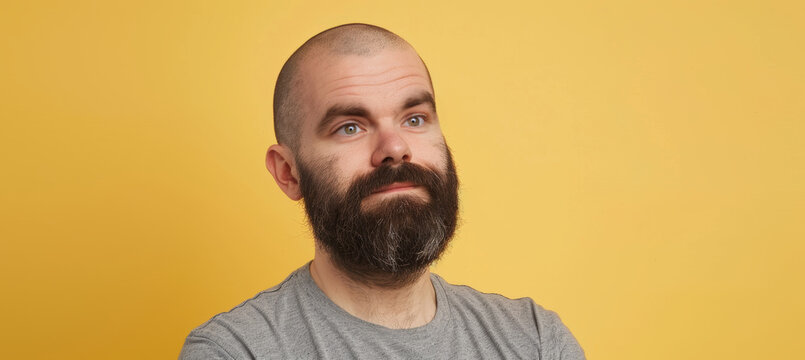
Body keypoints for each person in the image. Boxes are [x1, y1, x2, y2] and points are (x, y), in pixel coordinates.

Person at [179, 23, 585, 359]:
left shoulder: (534, 340)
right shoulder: (234, 351)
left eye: (414, 118)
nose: (395, 148)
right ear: (288, 173)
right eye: (350, 127)